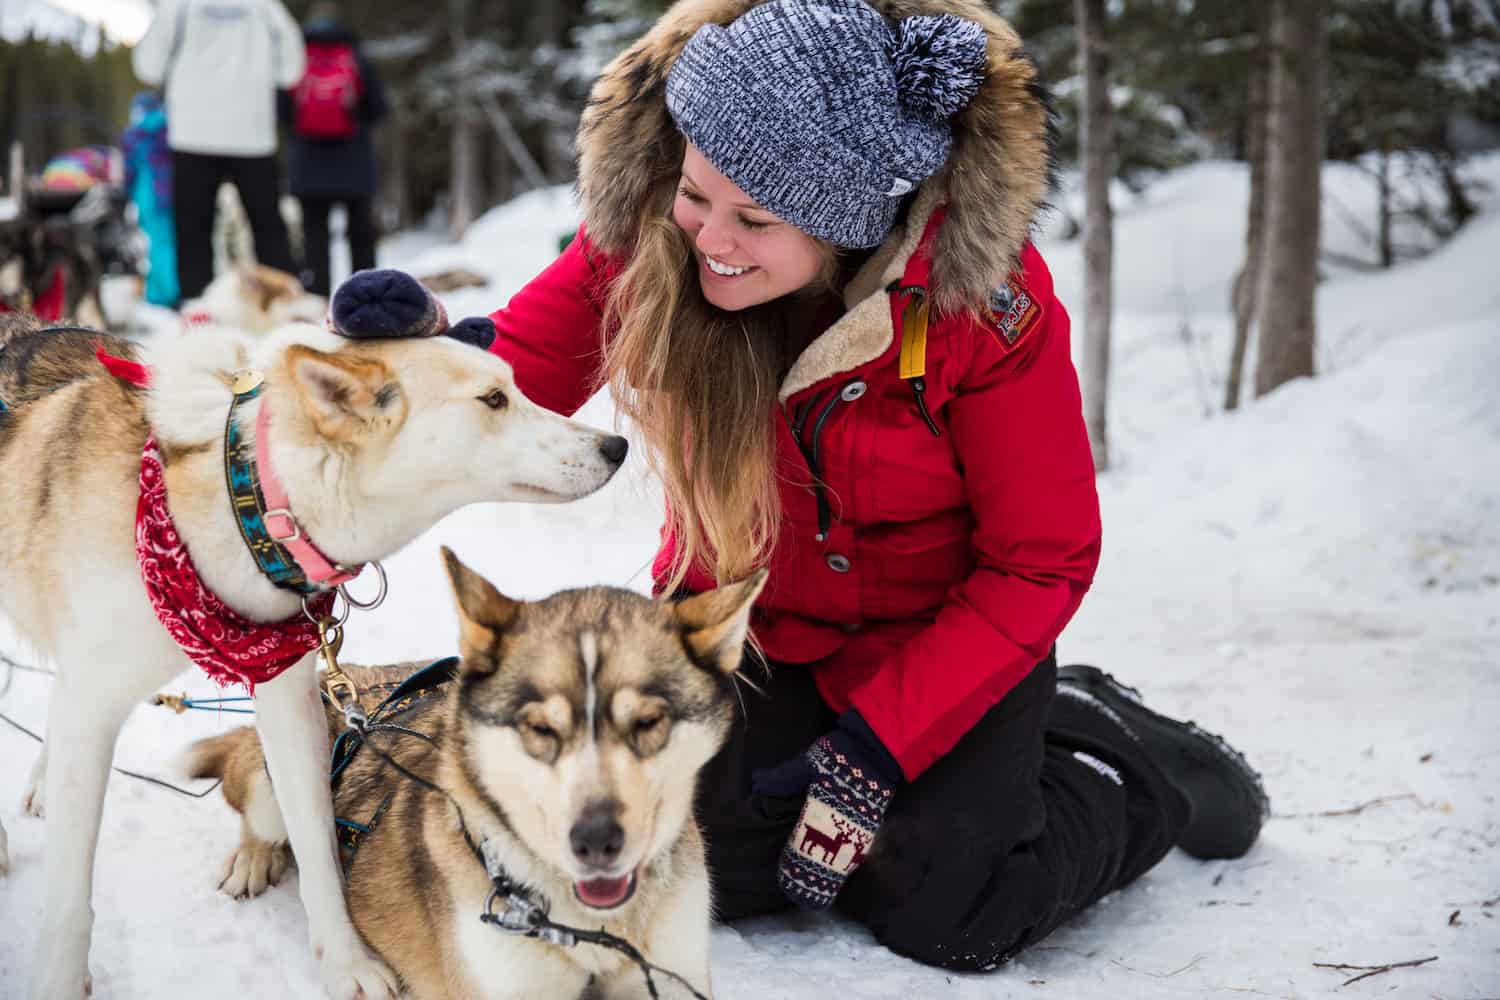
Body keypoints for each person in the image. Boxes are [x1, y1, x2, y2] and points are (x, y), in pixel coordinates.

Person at [483, 0, 1269, 972]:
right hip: (758, 624)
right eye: (696, 194)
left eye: (754, 219)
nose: (708, 237)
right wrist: (410, 358)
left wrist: (878, 751)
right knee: (687, 856)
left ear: (847, 221)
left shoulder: (978, 307)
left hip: (944, 641)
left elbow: (1041, 558)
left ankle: (1111, 752)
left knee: (947, 904)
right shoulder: (667, 228)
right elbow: (513, 375)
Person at [130, 0, 304, 302]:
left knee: (194, 235)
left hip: (192, 135)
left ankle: (196, 314)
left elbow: (148, 67)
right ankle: (281, 308)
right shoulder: (266, 7)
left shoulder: (178, 6)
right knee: (268, 231)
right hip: (254, 136)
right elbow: (292, 70)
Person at [279, 4, 389, 297]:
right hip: (354, 164)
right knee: (361, 238)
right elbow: (378, 109)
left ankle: (318, 303)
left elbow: (282, 111)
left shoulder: (296, 61)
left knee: (315, 240)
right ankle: (367, 300)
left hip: (308, 166)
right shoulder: (357, 59)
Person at [121, 91, 180, 307]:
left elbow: (129, 170)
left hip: (149, 193)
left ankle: (163, 293)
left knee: (157, 243)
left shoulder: (134, 134)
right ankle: (174, 287)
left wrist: (126, 193)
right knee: (173, 240)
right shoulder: (171, 128)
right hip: (174, 190)